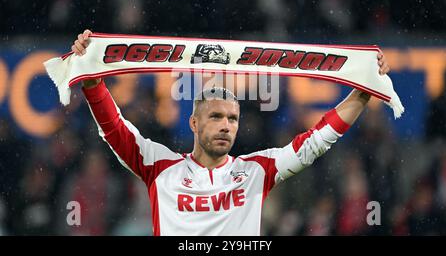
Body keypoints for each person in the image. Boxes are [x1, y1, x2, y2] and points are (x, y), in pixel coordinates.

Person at [71, 29, 390, 236]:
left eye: (233, 119)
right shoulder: (160, 167)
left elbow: (315, 142)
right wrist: (91, 79)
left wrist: (362, 93)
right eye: (216, 116)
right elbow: (114, 128)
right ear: (194, 123)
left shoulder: (254, 171)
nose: (226, 125)